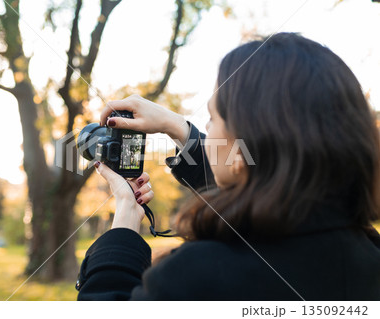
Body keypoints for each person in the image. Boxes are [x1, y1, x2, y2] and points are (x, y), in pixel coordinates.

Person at [76, 33, 380, 300]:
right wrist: (175, 125)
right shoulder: (369, 252)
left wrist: (124, 228)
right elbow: (260, 175)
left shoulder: (195, 279)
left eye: (212, 118)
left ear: (241, 149)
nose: (209, 132)